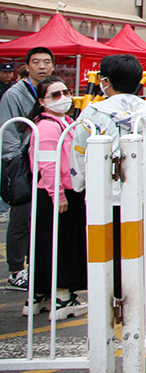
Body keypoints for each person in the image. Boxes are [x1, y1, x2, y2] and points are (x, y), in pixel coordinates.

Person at [71, 53, 146, 300]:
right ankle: (140, 287)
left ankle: (108, 290)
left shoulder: (93, 112)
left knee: (107, 241)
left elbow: (78, 150)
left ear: (106, 81)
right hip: (141, 189)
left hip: (105, 191)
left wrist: (80, 183)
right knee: (138, 238)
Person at [23, 76, 87, 321]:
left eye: (65, 92)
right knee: (60, 244)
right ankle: (62, 296)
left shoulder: (64, 121)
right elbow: (47, 165)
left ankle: (39, 295)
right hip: (55, 193)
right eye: (55, 95)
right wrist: (58, 194)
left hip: (61, 191)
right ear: (41, 101)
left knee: (47, 242)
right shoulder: (48, 126)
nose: (63, 98)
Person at [2, 47, 56, 292]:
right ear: (27, 66)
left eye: (46, 61)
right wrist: (17, 162)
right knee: (21, 216)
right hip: (22, 163)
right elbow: (8, 130)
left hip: (45, 160)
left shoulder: (52, 90)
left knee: (42, 216)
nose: (42, 66)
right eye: (36, 62)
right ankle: (15, 270)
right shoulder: (14, 94)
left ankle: (37, 267)